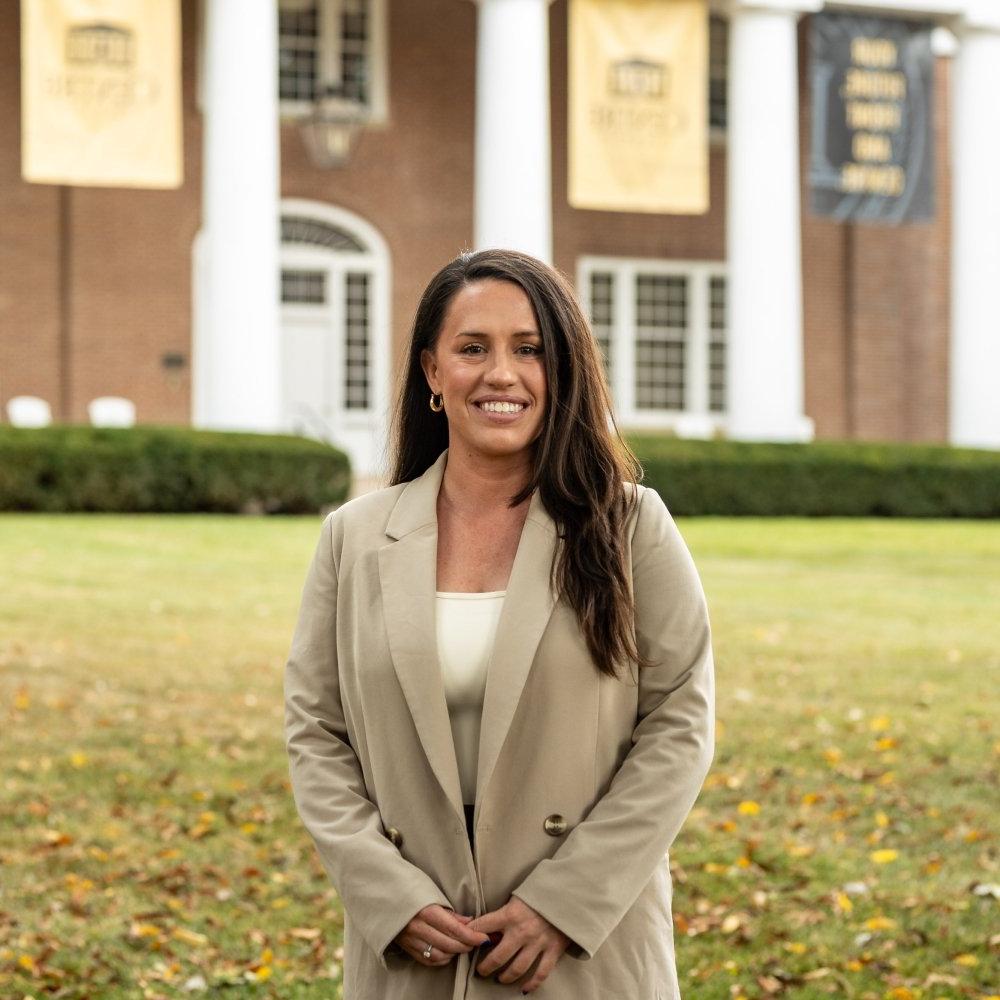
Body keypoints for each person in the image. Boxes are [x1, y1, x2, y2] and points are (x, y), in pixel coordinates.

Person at [283, 248, 716, 999]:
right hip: (412, 947)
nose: (502, 374)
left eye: (530, 350)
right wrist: (388, 895)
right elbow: (316, 733)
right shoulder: (352, 537)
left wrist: (565, 903)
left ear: (563, 370)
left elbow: (679, 723)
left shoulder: (629, 525)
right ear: (431, 372)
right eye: (472, 348)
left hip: (586, 947)